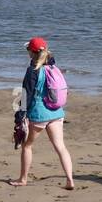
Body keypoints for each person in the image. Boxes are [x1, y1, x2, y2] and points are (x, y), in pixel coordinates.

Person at [9, 36, 75, 190]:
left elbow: (26, 95)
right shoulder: (54, 67)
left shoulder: (33, 71)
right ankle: (70, 179)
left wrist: (20, 116)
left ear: (31, 52)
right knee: (61, 147)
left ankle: (23, 179)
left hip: (39, 114)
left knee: (27, 146)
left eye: (27, 50)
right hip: (56, 112)